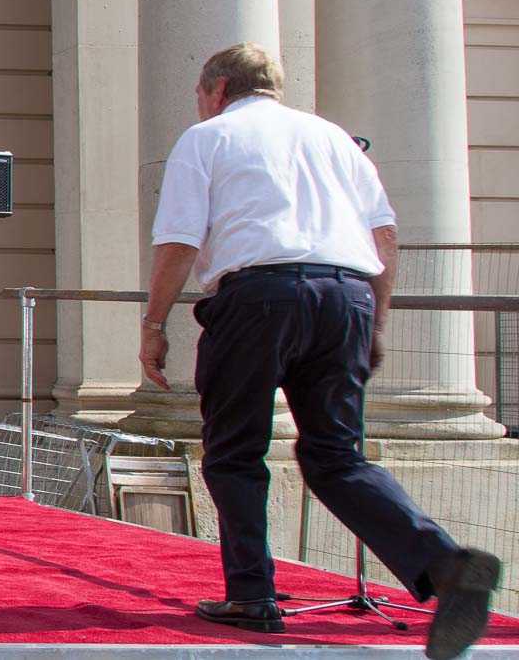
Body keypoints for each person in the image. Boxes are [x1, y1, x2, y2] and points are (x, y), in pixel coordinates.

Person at [139, 42, 498, 657]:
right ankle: (443, 563)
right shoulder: (334, 139)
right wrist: (375, 320)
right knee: (337, 457)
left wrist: (154, 324)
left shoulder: (208, 138)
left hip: (257, 298)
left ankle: (252, 595)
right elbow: (384, 233)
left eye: (200, 96)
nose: (200, 106)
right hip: (347, 295)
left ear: (218, 90)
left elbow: (177, 241)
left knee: (233, 450)